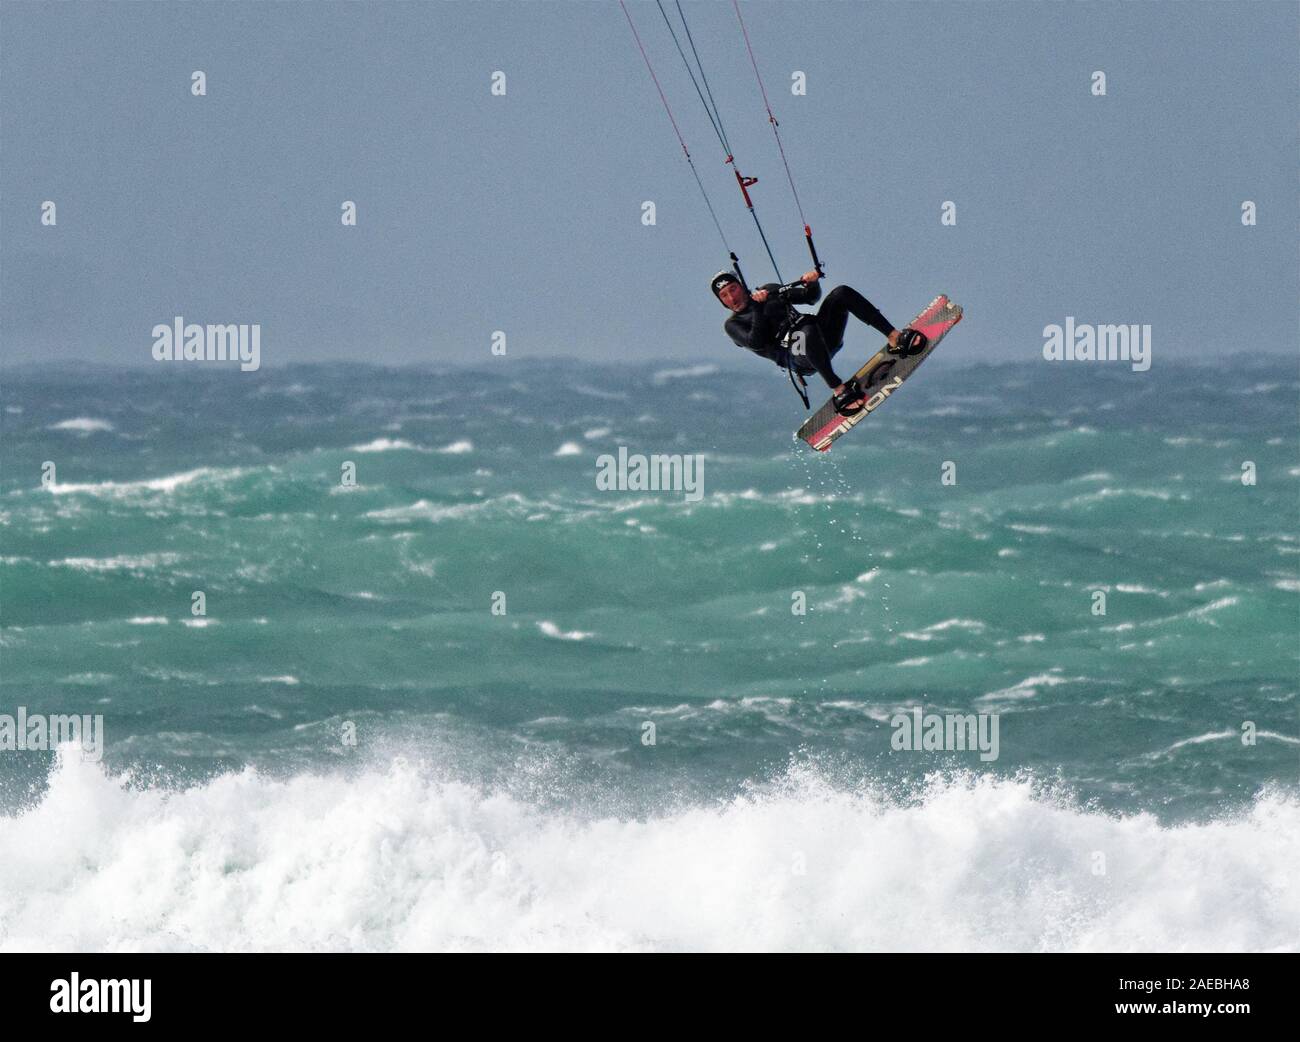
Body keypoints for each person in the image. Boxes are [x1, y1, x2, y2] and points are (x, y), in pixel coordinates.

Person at [711, 270, 926, 414]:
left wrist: (812, 283)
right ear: (721, 302)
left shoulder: (770, 290)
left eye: (733, 289)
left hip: (823, 337)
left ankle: (895, 337)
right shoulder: (732, 325)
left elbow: (809, 298)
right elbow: (756, 342)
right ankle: (839, 390)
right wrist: (757, 307)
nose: (731, 297)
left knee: (841, 293)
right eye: (724, 295)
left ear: (742, 286)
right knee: (806, 329)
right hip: (800, 359)